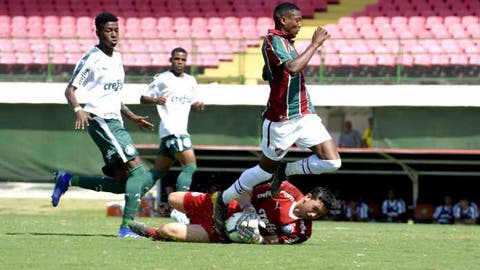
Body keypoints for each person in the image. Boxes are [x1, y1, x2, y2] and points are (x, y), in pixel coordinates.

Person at [213, 2, 341, 239]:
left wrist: (271, 70)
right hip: (282, 121)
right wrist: (315, 44)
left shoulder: (286, 44)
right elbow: (292, 68)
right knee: (263, 171)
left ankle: (286, 169)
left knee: (333, 162)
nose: (300, 24)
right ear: (284, 20)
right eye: (297, 20)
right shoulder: (273, 40)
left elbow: (268, 72)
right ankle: (224, 199)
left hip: (304, 114)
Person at [50, 12, 161, 238]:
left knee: (123, 183)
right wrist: (78, 109)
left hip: (115, 120)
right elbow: (70, 89)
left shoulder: (117, 57)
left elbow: (113, 94)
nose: (114, 34)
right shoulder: (92, 58)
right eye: (109, 30)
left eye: (116, 30)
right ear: (98, 31)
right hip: (102, 120)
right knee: (138, 172)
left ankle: (68, 179)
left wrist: (131, 116)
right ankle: (127, 227)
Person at [129, 181, 336, 244]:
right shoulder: (283, 189)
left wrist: (254, 236)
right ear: (308, 197)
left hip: (222, 231)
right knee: (174, 198)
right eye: (314, 209)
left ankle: (153, 233)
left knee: (168, 230)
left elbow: (274, 241)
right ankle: (185, 217)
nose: (312, 216)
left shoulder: (302, 232)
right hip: (221, 205)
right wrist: (248, 208)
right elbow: (245, 190)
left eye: (318, 215)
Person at [140, 47, 204, 223]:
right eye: (176, 59)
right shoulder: (162, 79)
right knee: (190, 166)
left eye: (183, 60)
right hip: (173, 130)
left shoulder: (191, 80)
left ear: (186, 61)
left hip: (174, 132)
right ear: (171, 60)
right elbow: (143, 98)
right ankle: (179, 210)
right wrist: (155, 100)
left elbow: (189, 101)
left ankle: (133, 193)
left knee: (158, 171)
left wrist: (196, 105)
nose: (179, 62)